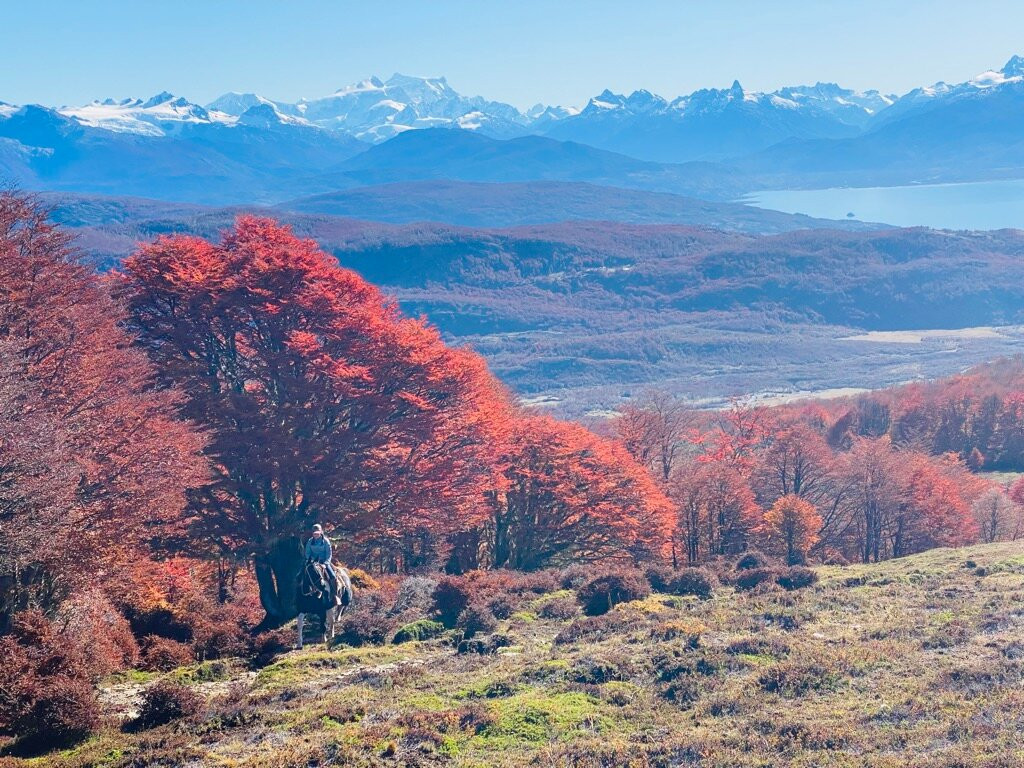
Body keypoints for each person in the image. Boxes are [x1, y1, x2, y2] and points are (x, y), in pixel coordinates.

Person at [304, 524, 340, 605]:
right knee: (303, 574)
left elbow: (329, 553)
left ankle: (334, 595)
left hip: (324, 562)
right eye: (314, 533)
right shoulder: (310, 541)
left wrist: (326, 563)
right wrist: (309, 560)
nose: (315, 534)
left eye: (317, 533)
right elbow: (307, 552)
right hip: (313, 562)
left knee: (332, 576)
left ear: (321, 532)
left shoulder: (326, 541)